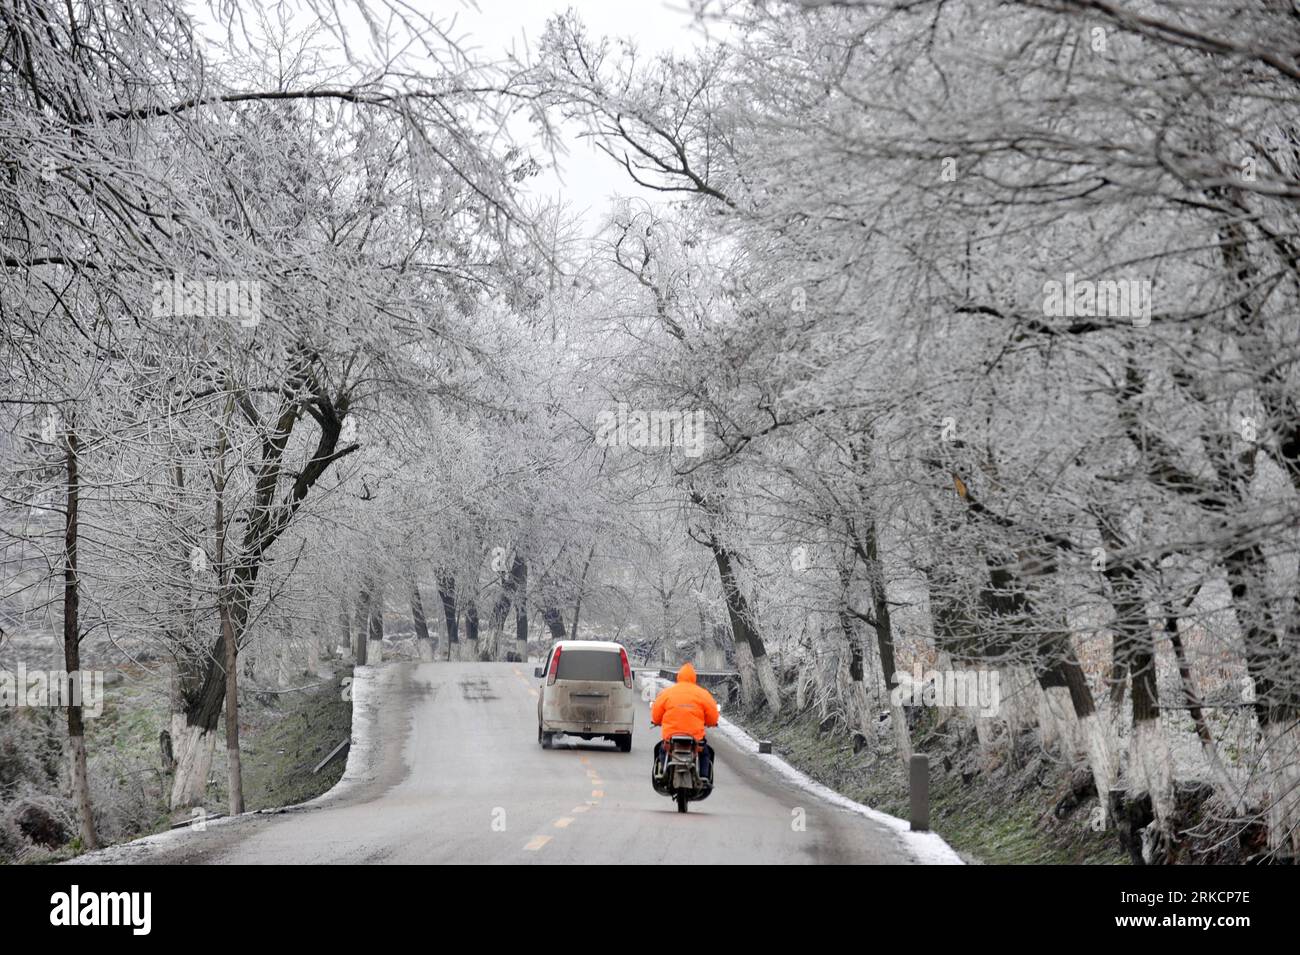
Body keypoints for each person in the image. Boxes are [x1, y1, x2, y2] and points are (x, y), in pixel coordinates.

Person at [650, 662, 719, 785]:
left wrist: (656, 721)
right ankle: (704, 776)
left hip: (671, 738)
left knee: (663, 749)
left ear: (679, 677)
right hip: (695, 739)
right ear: (694, 678)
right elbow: (713, 716)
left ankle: (662, 772)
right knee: (704, 753)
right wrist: (711, 723)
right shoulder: (703, 694)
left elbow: (656, 714)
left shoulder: (667, 693)